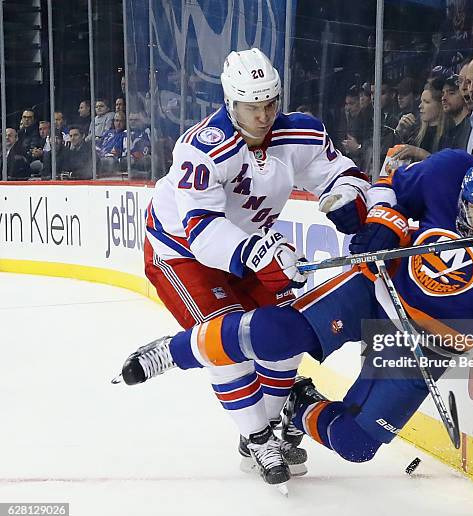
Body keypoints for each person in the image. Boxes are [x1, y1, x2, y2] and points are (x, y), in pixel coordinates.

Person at [115, 149, 473, 478]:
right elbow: (388, 187)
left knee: (356, 445)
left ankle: (297, 404)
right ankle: (174, 351)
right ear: (464, 192)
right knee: (278, 335)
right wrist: (385, 227)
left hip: (428, 343)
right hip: (377, 290)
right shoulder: (447, 171)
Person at [113, 48, 370, 487]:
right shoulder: (202, 148)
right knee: (227, 340)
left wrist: (346, 195)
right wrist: (259, 254)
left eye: (271, 103)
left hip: (248, 244)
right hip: (181, 251)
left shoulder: (301, 133)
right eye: (252, 106)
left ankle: (268, 422)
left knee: (286, 333)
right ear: (230, 103)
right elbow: (204, 233)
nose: (264, 115)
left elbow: (342, 173)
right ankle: (256, 437)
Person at [439, 74, 470, 150]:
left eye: (451, 93)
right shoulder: (447, 135)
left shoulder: (472, 128)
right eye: (443, 93)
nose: (444, 98)